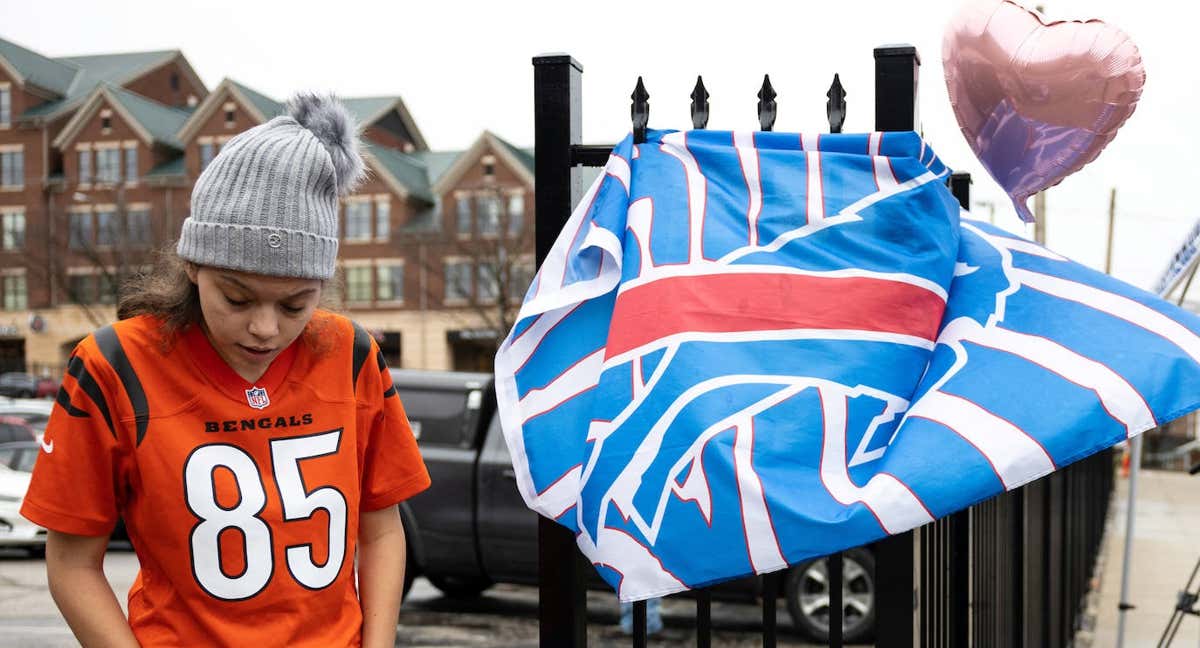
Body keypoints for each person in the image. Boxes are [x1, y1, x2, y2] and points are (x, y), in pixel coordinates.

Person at [20, 93, 430, 647]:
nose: (265, 328)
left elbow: (381, 529)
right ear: (193, 265)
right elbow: (71, 562)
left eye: (295, 305)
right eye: (236, 298)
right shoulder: (114, 365)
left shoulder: (350, 352)